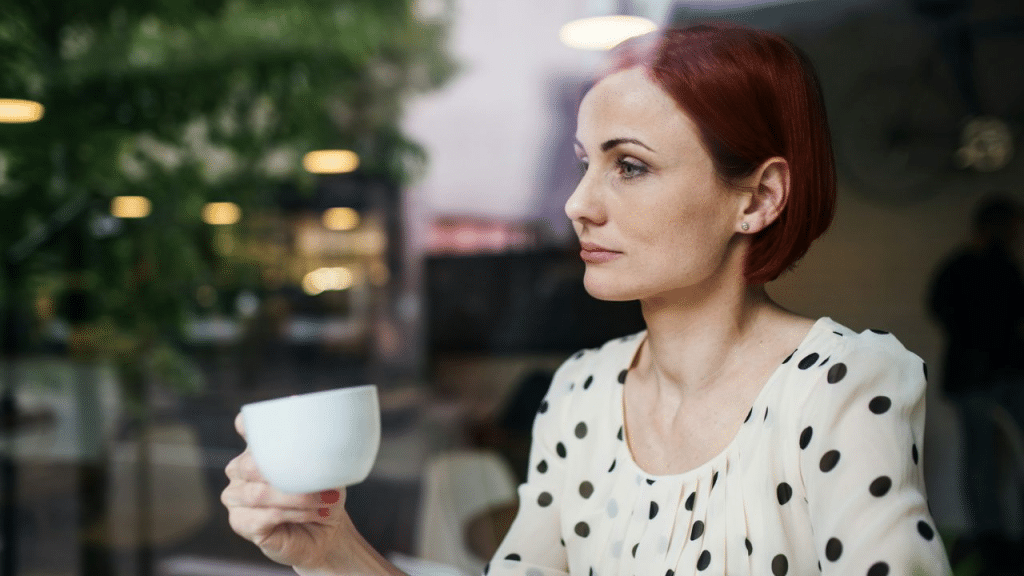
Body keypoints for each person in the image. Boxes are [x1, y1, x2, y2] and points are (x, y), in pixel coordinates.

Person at [221, 23, 953, 575]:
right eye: (584, 164)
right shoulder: (582, 392)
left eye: (629, 166)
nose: (577, 204)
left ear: (758, 198)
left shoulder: (840, 386)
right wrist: (329, 549)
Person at [928, 194, 1024, 563]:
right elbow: (942, 309)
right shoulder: (964, 267)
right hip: (976, 377)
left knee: (991, 458)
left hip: (1003, 373)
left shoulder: (1005, 265)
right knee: (983, 459)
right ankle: (991, 539)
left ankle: (998, 537)